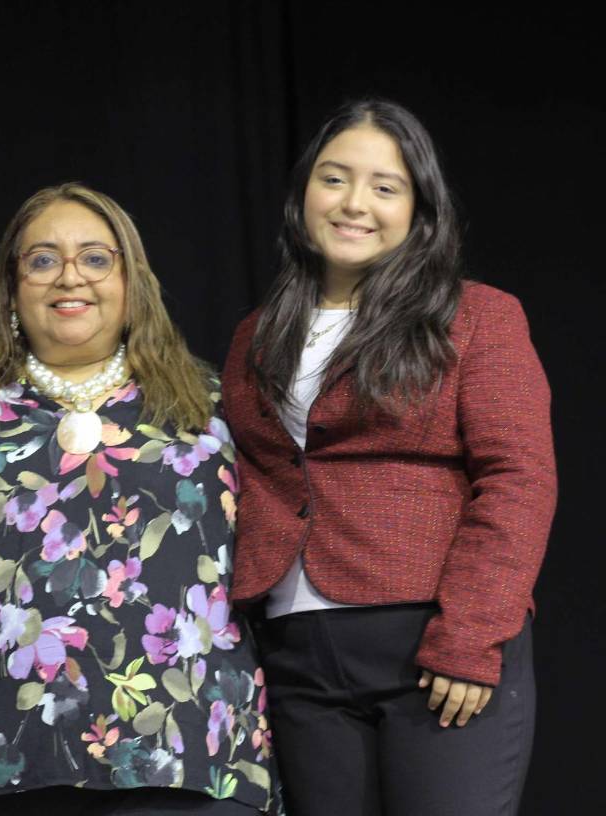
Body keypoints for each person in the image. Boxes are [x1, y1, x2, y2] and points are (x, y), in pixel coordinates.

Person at [221, 98, 556, 816]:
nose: (354, 203)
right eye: (334, 179)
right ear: (303, 193)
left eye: (385, 187)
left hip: (433, 640)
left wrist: (469, 636)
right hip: (297, 649)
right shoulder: (257, 333)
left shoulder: (477, 316)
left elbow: (519, 480)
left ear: (419, 209)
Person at [0, 183, 280, 814]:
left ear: (130, 280)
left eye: (95, 257)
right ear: (10, 287)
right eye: (42, 260)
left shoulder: (211, 401)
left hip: (187, 757)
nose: (70, 276)